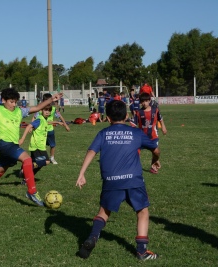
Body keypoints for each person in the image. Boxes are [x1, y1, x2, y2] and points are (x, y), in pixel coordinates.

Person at [76, 100, 160, 261]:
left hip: (111, 180)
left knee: (104, 212)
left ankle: (92, 237)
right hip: (133, 180)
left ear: (107, 118)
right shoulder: (135, 133)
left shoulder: (103, 134)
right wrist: (155, 159)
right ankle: (142, 251)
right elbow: (156, 149)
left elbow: (91, 151)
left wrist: (82, 173)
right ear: (127, 116)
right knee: (142, 211)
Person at [0, 88, 63, 206]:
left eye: (15, 102)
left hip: (12, 145)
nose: (14, 105)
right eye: (11, 102)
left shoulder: (19, 111)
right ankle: (32, 192)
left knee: (0, 171)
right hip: (4, 144)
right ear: (3, 100)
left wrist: (51, 100)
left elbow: (37, 108)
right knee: (27, 159)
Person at [18, 105, 61, 184]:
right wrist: (22, 138)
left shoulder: (44, 120)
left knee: (37, 163)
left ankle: (26, 179)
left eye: (49, 110)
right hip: (37, 146)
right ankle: (25, 168)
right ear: (41, 111)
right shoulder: (40, 119)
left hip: (38, 145)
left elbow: (47, 122)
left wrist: (57, 122)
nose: (47, 112)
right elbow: (29, 126)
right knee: (46, 161)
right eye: (45, 110)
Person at [131, 93, 167, 174]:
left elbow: (160, 118)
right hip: (141, 137)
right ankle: (134, 168)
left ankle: (153, 165)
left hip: (153, 137)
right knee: (135, 152)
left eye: (146, 101)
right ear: (140, 102)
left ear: (149, 101)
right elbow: (133, 124)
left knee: (156, 152)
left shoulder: (155, 110)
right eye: (142, 101)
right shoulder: (139, 112)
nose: (144, 103)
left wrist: (163, 127)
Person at [35, 93, 70, 165]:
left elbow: (60, 116)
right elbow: (39, 120)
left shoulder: (53, 109)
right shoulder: (40, 109)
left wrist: (65, 125)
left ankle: (52, 158)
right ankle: (40, 158)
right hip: (41, 131)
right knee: (41, 145)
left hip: (50, 130)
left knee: (53, 145)